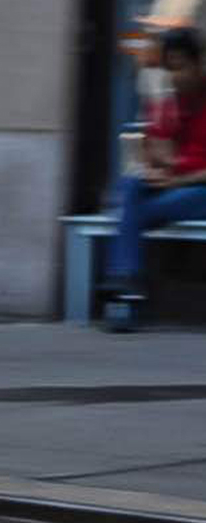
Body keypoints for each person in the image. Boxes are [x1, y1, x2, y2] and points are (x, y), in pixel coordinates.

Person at [103, 24, 206, 330]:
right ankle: (128, 285)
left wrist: (175, 179)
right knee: (131, 184)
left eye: (180, 68)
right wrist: (151, 168)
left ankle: (126, 288)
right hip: (174, 190)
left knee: (132, 210)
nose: (175, 78)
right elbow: (151, 151)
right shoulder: (166, 104)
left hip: (199, 190)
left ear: (199, 63)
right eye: (169, 69)